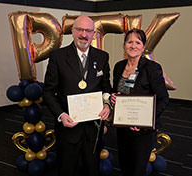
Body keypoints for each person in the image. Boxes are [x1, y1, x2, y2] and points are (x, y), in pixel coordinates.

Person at [43, 16, 112, 176]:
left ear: (93, 34)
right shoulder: (57, 57)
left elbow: (106, 88)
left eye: (88, 31)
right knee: (67, 168)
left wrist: (107, 104)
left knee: (92, 168)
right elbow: (48, 91)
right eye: (79, 29)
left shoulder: (102, 57)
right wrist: (61, 115)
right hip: (68, 126)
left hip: (93, 127)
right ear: (72, 32)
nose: (84, 34)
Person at [110, 28, 169, 176]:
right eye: (129, 42)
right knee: (124, 164)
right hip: (122, 126)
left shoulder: (152, 68)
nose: (133, 46)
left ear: (143, 47)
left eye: (137, 42)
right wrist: (112, 97)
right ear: (124, 45)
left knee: (137, 169)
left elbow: (163, 98)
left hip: (142, 130)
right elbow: (116, 90)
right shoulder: (118, 67)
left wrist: (146, 121)